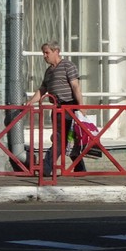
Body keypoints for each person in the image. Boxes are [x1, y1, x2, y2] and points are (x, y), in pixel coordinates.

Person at [25, 41, 85, 176]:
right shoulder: (49, 71)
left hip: (69, 107)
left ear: (56, 51)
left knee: (60, 139)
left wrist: (81, 107)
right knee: (68, 139)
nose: (44, 56)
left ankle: (45, 169)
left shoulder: (67, 66)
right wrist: (30, 102)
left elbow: (75, 86)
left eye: (47, 52)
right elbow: (43, 89)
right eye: (43, 53)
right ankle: (80, 169)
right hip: (57, 108)